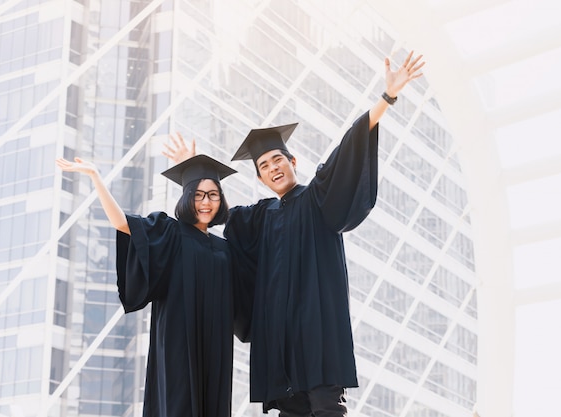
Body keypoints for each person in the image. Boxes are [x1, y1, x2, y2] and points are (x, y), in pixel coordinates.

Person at [164, 51, 425, 417]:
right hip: (279, 343)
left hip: (318, 333)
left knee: (327, 409)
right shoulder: (258, 217)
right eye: (264, 166)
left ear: (293, 162)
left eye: (278, 160)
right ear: (258, 178)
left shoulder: (317, 197)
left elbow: (349, 147)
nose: (273, 168)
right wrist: (190, 173)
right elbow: (209, 213)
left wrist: (387, 97)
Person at [56, 153, 237, 417]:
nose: (205, 202)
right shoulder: (170, 231)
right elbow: (122, 223)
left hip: (216, 346)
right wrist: (96, 176)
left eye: (212, 194)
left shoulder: (225, 248)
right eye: (197, 194)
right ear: (186, 198)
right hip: (179, 340)